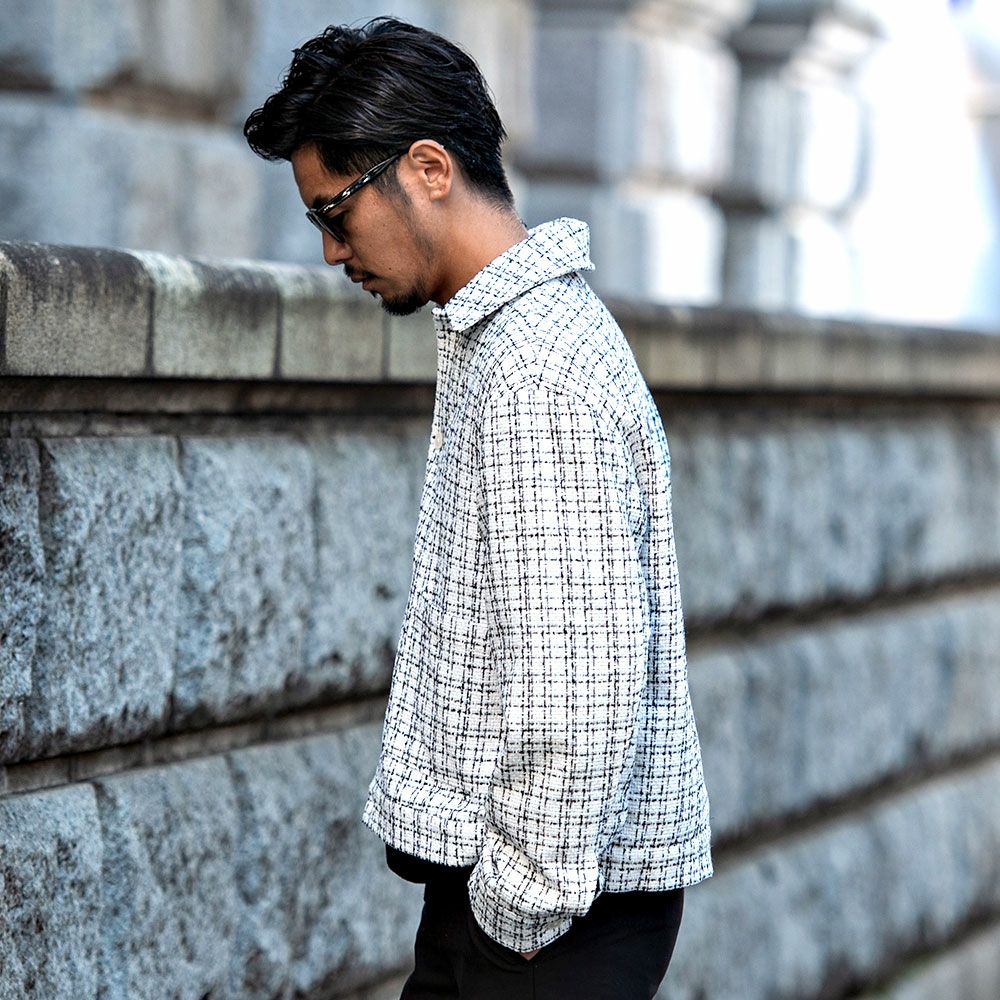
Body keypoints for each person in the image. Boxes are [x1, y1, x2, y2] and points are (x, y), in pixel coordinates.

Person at [244, 17, 713, 999]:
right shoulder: (508, 339)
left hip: (547, 923)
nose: (331, 251)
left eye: (336, 212)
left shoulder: (535, 370)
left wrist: (518, 911)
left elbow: (578, 684)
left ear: (427, 169)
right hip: (537, 906)